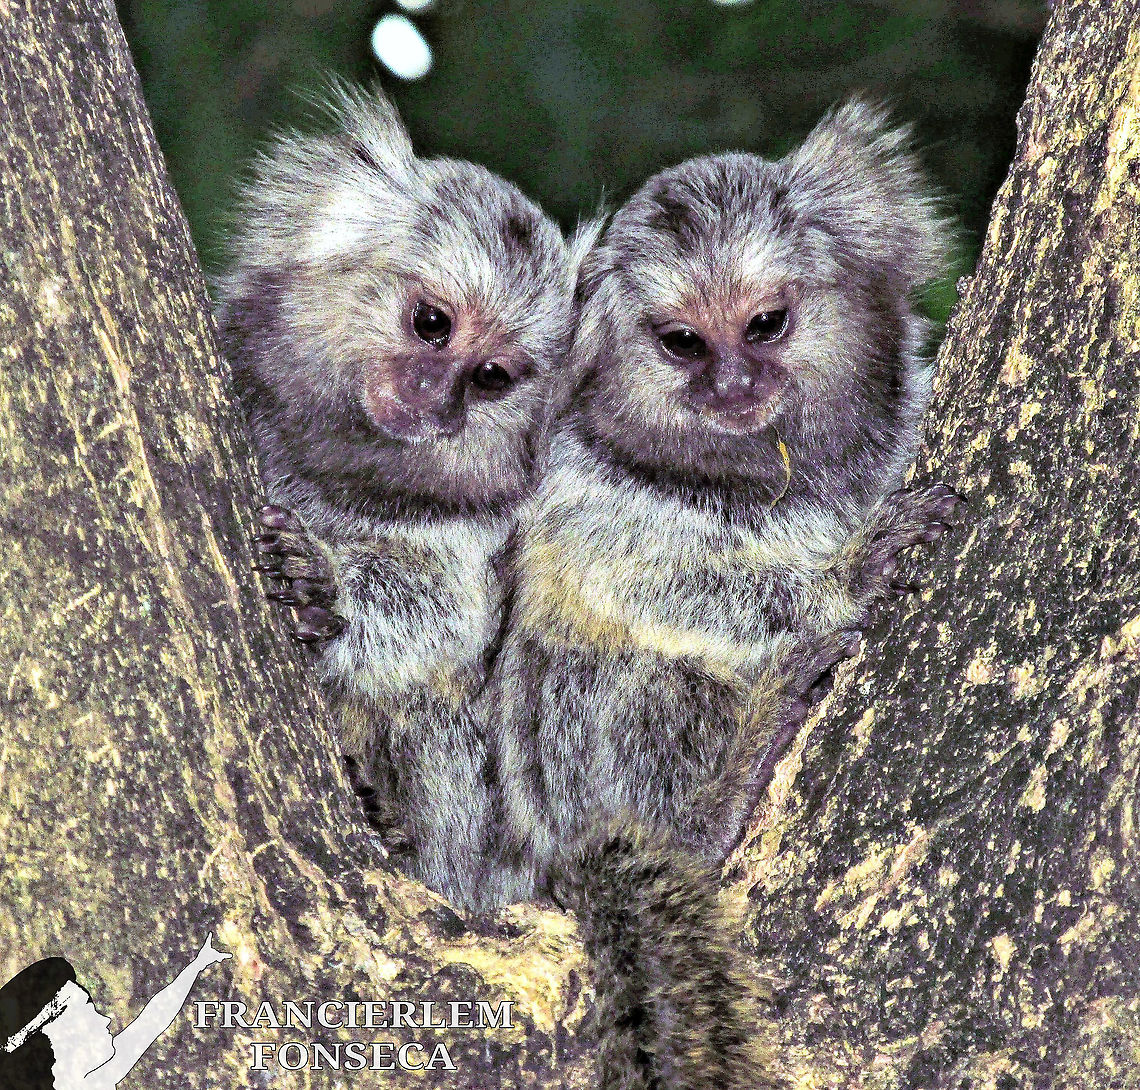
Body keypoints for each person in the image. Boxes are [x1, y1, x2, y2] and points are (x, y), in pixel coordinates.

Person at [0, 934, 230, 1089]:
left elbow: (151, 1023)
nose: (106, 1020)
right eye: (88, 1015)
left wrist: (197, 965)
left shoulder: (90, 1080)